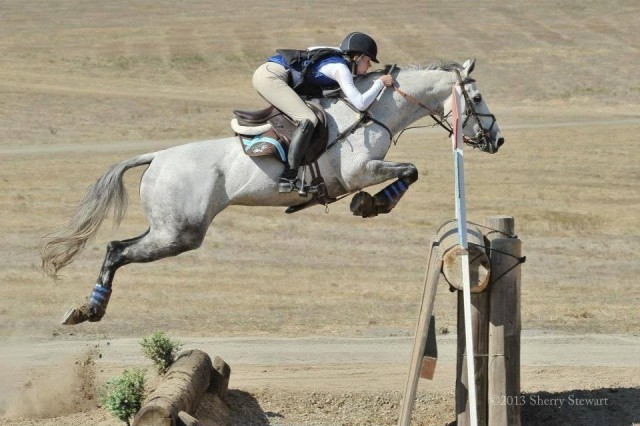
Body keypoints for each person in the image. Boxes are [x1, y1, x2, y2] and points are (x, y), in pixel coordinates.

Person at [252, 32, 394, 192]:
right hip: (272, 77)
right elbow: (360, 104)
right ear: (357, 57)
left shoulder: (336, 56)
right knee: (308, 119)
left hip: (272, 73)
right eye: (368, 61)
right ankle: (288, 178)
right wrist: (380, 83)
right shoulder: (341, 68)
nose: (369, 66)